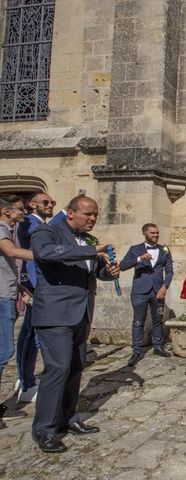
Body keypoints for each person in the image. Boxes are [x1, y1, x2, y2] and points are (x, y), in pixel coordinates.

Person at [30, 195, 120, 453]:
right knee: (57, 369)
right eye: (87, 214)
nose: (92, 219)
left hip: (81, 313)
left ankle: (67, 418)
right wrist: (93, 250)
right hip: (55, 315)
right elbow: (45, 253)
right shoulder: (47, 231)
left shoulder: (88, 241)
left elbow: (91, 271)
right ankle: (44, 428)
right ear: (70, 213)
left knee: (76, 367)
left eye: (95, 215)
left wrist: (106, 272)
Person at [15, 192, 56, 403]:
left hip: (38, 284)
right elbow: (40, 237)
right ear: (32, 204)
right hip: (33, 285)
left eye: (52, 203)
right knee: (30, 336)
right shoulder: (30, 222)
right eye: (45, 202)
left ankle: (25, 379)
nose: (50, 206)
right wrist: (66, 214)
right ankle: (26, 383)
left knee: (30, 333)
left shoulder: (37, 222)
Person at [0, 195, 33, 429]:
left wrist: (19, 286)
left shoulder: (9, 230)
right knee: (4, 351)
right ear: (6, 211)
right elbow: (10, 252)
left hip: (8, 294)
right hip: (1, 298)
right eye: (20, 208)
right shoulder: (1, 230)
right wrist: (48, 253)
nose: (24, 211)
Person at [120, 223, 174, 367]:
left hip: (158, 290)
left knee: (158, 319)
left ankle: (157, 346)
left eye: (157, 233)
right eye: (152, 233)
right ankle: (136, 350)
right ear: (145, 233)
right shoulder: (135, 249)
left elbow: (169, 270)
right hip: (140, 290)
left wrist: (165, 286)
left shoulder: (165, 250)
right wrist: (139, 259)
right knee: (138, 321)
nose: (155, 235)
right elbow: (122, 266)